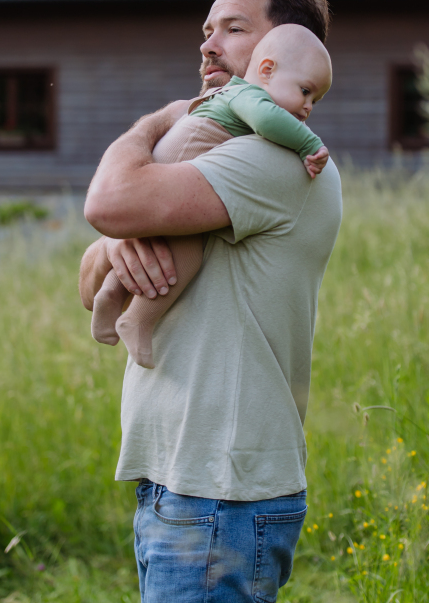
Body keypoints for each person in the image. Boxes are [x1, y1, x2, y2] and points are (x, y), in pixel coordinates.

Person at [80, 0, 343, 603]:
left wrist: (157, 122)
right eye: (207, 29)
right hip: (180, 481)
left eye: (233, 29)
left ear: (279, 50)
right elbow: (92, 269)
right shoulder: (213, 153)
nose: (208, 45)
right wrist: (117, 250)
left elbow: (106, 204)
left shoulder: (267, 160)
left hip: (219, 494)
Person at [91, 23, 332, 368]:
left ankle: (112, 296)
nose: (307, 108)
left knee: (152, 243)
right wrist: (309, 143)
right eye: (305, 91)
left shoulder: (230, 95)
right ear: (266, 70)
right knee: (188, 247)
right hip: (183, 154)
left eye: (315, 100)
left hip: (176, 153)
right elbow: (268, 120)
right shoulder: (251, 96)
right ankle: (139, 320)